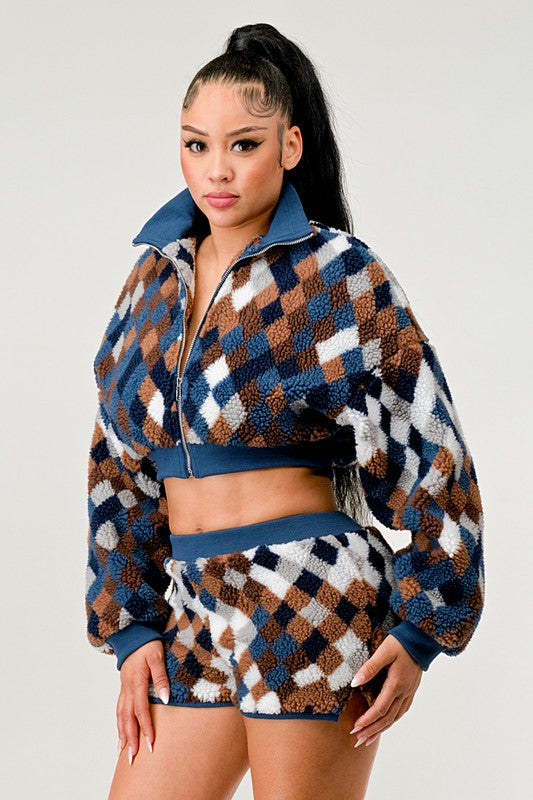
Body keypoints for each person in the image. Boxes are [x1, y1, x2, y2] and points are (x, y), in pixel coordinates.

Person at [85, 22, 485, 800]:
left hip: (307, 589)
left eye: (243, 144)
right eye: (196, 145)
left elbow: (428, 446)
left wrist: (421, 629)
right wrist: (128, 626)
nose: (217, 168)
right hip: (189, 605)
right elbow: (115, 461)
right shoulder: (151, 280)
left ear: (289, 147)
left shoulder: (335, 274)